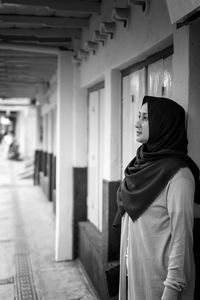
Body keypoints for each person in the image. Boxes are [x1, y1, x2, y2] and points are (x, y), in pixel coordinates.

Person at [113, 96, 200, 300]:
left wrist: (171, 289)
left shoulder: (179, 176)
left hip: (160, 285)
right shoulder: (139, 166)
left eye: (145, 118)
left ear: (163, 125)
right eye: (138, 116)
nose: (137, 123)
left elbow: (182, 239)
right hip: (134, 275)